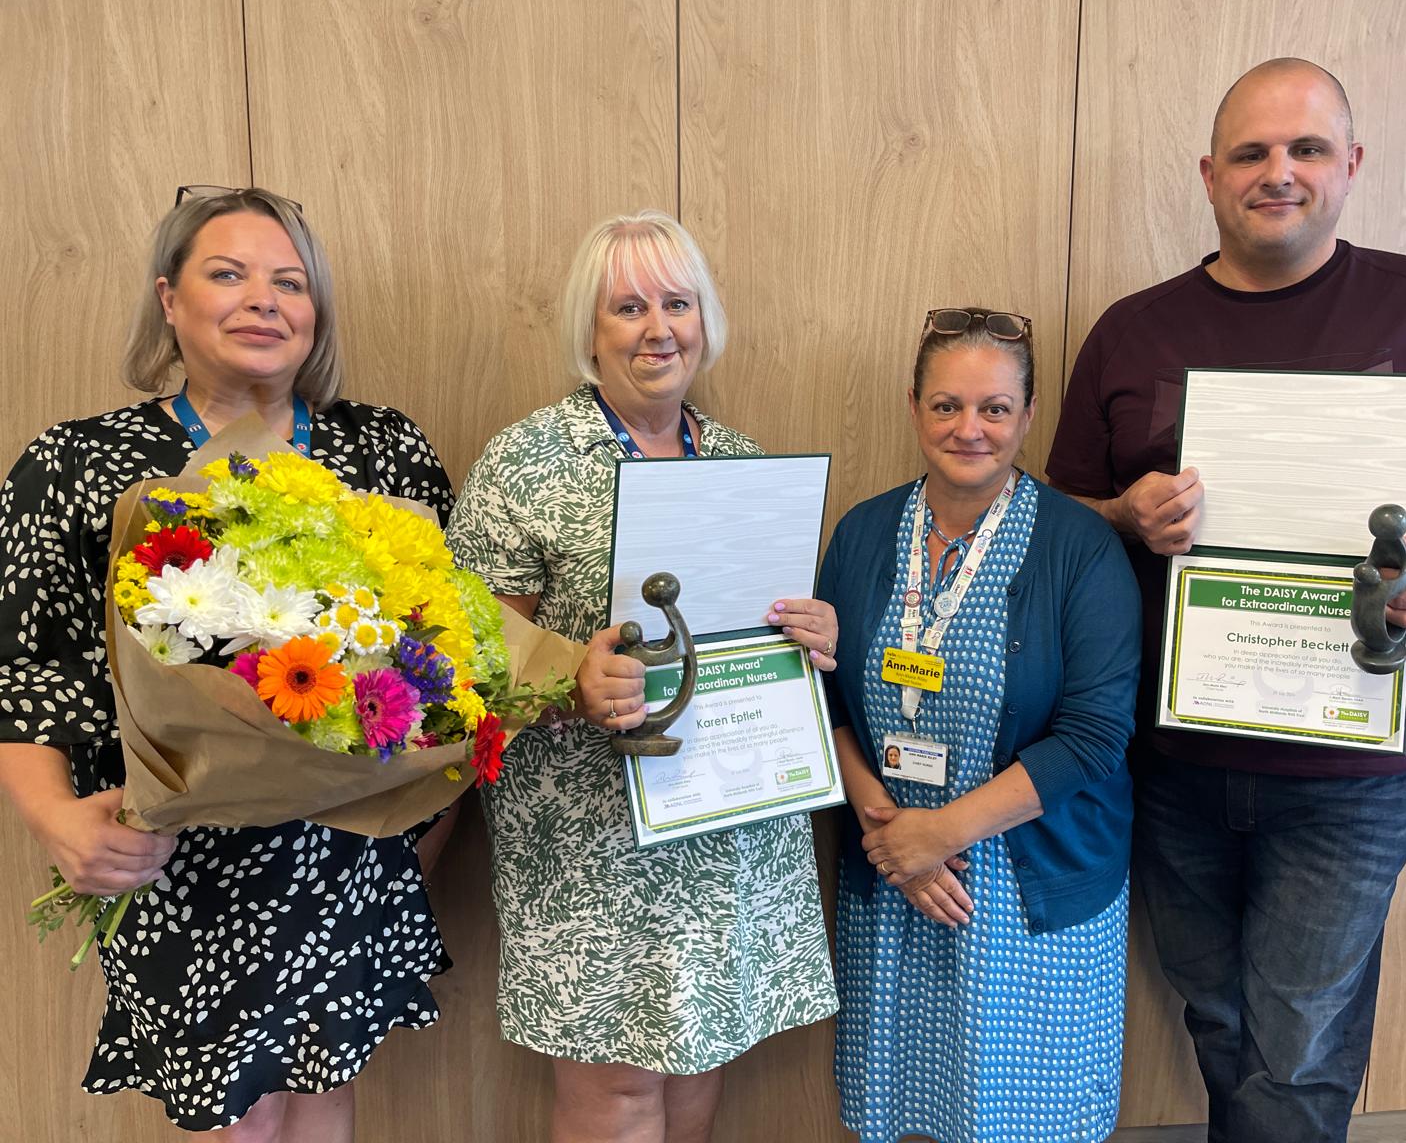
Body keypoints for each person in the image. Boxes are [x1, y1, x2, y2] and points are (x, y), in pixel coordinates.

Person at [1047, 58, 1406, 1143]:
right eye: (1250, 152)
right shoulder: (1132, 330)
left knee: (1299, 1040)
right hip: (1172, 754)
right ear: (1208, 173)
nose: (1277, 172)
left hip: (1352, 768)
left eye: (1306, 149)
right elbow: (1058, 517)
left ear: (1351, 166)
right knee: (1220, 1015)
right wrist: (1124, 514)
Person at [0, 187, 457, 1140]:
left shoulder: (381, 451)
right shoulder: (81, 464)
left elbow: (447, 658)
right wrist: (55, 822)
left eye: (290, 282)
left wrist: (420, 827)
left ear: (316, 312)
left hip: (349, 855)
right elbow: (26, 669)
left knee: (327, 1101)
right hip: (172, 859)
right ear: (169, 300)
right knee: (232, 1124)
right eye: (229, 274)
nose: (264, 300)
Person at [445, 210, 838, 1143]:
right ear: (590, 331)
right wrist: (564, 681)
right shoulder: (526, 461)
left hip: (721, 811)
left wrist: (810, 632)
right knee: (617, 1091)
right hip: (588, 837)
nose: (659, 327)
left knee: (700, 1062)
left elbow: (755, 638)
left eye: (677, 302)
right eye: (628, 306)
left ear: (705, 320)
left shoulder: (742, 458)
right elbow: (459, 655)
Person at [818, 308, 1142, 1143]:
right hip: (894, 875)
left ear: (1029, 416)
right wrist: (887, 830)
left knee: (1024, 1121)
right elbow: (826, 703)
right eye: (946, 405)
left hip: (1025, 881)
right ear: (915, 408)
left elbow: (1094, 737)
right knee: (908, 1108)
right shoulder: (861, 533)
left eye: (995, 408)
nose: (970, 429)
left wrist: (942, 834)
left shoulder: (1080, 549)